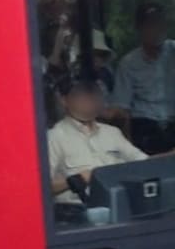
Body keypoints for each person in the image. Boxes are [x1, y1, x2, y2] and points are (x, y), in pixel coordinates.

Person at [48, 78, 149, 207]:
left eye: (93, 96)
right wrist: (78, 179)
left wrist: (172, 155)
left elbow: (144, 163)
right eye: (81, 96)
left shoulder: (112, 133)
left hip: (121, 204)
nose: (89, 101)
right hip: (77, 213)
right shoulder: (54, 137)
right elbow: (41, 188)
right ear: (64, 101)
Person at [112, 3, 175, 154]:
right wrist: (130, 149)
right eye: (150, 24)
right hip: (145, 132)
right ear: (140, 29)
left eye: (159, 23)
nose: (156, 29)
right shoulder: (128, 63)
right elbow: (122, 111)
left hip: (173, 129)